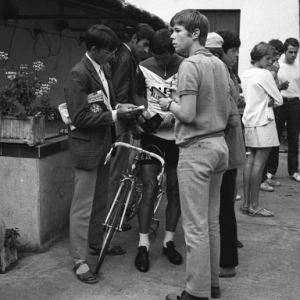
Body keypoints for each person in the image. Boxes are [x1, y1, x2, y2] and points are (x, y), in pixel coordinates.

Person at [159, 10, 232, 300]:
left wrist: (169, 103)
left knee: (194, 227)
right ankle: (211, 285)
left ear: (195, 33)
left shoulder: (189, 66)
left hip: (197, 150)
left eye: (177, 30)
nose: (172, 36)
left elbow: (187, 114)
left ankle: (195, 292)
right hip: (218, 146)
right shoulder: (219, 64)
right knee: (211, 223)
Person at [65, 24, 138, 284]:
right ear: (93, 49)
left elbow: (103, 103)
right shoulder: (78, 74)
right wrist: (117, 115)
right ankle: (79, 259)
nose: (113, 57)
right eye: (108, 52)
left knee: (99, 201)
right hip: (86, 147)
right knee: (83, 206)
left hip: (105, 144)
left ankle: (95, 243)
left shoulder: (103, 68)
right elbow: (80, 116)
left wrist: (119, 106)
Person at [134, 29, 184, 272]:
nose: (161, 62)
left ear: (174, 52)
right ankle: (143, 245)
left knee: (174, 189)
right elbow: (134, 93)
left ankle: (168, 242)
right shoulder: (143, 66)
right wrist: (142, 110)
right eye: (156, 57)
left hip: (177, 138)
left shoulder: (186, 66)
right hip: (151, 135)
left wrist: (175, 117)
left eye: (164, 58)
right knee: (149, 188)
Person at [108, 23, 155, 224]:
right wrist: (133, 120)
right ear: (134, 39)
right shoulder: (125, 57)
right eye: (144, 45)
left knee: (120, 173)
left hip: (123, 120)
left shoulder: (127, 56)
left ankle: (116, 216)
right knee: (117, 174)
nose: (145, 50)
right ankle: (111, 219)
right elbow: (119, 96)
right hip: (121, 121)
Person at [210, 30, 246, 277]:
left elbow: (231, 119)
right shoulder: (226, 72)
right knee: (225, 206)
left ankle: (226, 262)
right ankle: (227, 252)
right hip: (229, 149)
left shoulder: (223, 74)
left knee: (223, 207)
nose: (235, 56)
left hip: (226, 149)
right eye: (234, 52)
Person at [241, 42, 283, 218]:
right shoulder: (265, 74)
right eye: (267, 58)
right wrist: (270, 99)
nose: (269, 61)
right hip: (264, 122)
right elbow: (279, 99)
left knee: (250, 163)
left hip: (249, 120)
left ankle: (246, 204)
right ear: (259, 57)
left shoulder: (245, 73)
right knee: (259, 165)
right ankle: (255, 205)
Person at [266, 38, 300, 182]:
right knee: (276, 137)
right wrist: (280, 85)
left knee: (294, 138)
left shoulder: (298, 65)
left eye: (296, 52)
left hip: (296, 103)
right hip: (281, 103)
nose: (293, 55)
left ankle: (294, 170)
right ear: (285, 52)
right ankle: (271, 170)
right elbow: (271, 83)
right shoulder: (277, 65)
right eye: (290, 52)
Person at [260, 39, 285, 192]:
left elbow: (274, 89)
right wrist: (274, 72)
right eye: (276, 55)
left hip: (272, 109)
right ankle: (262, 179)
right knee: (261, 149)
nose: (277, 59)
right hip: (262, 113)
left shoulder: (272, 67)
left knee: (270, 144)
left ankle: (266, 177)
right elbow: (267, 87)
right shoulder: (265, 69)